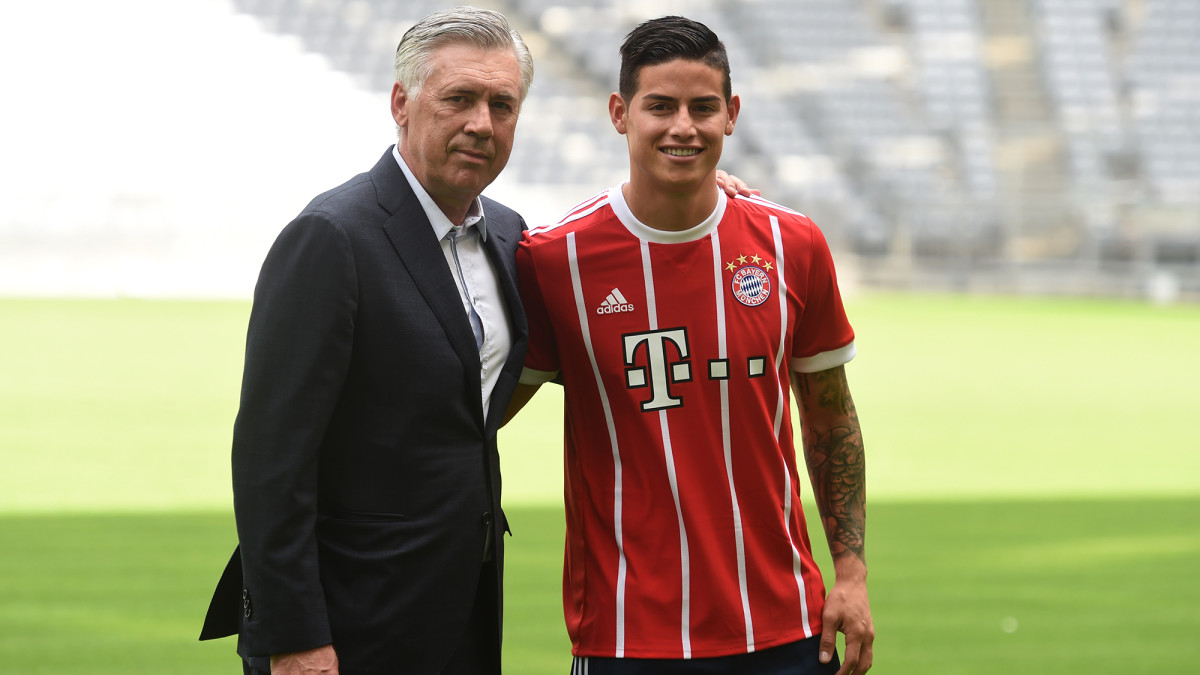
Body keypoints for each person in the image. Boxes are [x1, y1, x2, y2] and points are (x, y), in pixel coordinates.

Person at [506, 16, 874, 675]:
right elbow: (480, 414)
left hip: (785, 624)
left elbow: (830, 415)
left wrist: (850, 571)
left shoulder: (793, 246)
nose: (684, 126)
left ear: (731, 115)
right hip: (627, 633)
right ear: (620, 113)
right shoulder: (554, 261)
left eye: (703, 107)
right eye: (660, 107)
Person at [199, 7, 534, 674]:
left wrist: (700, 192)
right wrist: (292, 634)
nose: (481, 122)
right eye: (459, 98)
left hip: (462, 609)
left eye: (502, 104)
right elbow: (271, 457)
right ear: (401, 104)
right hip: (345, 621)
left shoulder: (507, 233)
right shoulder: (332, 236)